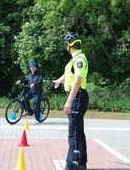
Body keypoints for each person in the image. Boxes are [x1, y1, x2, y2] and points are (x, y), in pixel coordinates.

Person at [52, 32, 89, 170]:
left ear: (68, 46)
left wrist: (68, 101)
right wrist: (59, 81)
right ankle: (80, 163)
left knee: (73, 132)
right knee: (78, 130)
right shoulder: (75, 59)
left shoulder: (79, 59)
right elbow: (70, 74)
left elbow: (78, 81)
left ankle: (72, 165)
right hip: (77, 97)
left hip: (77, 98)